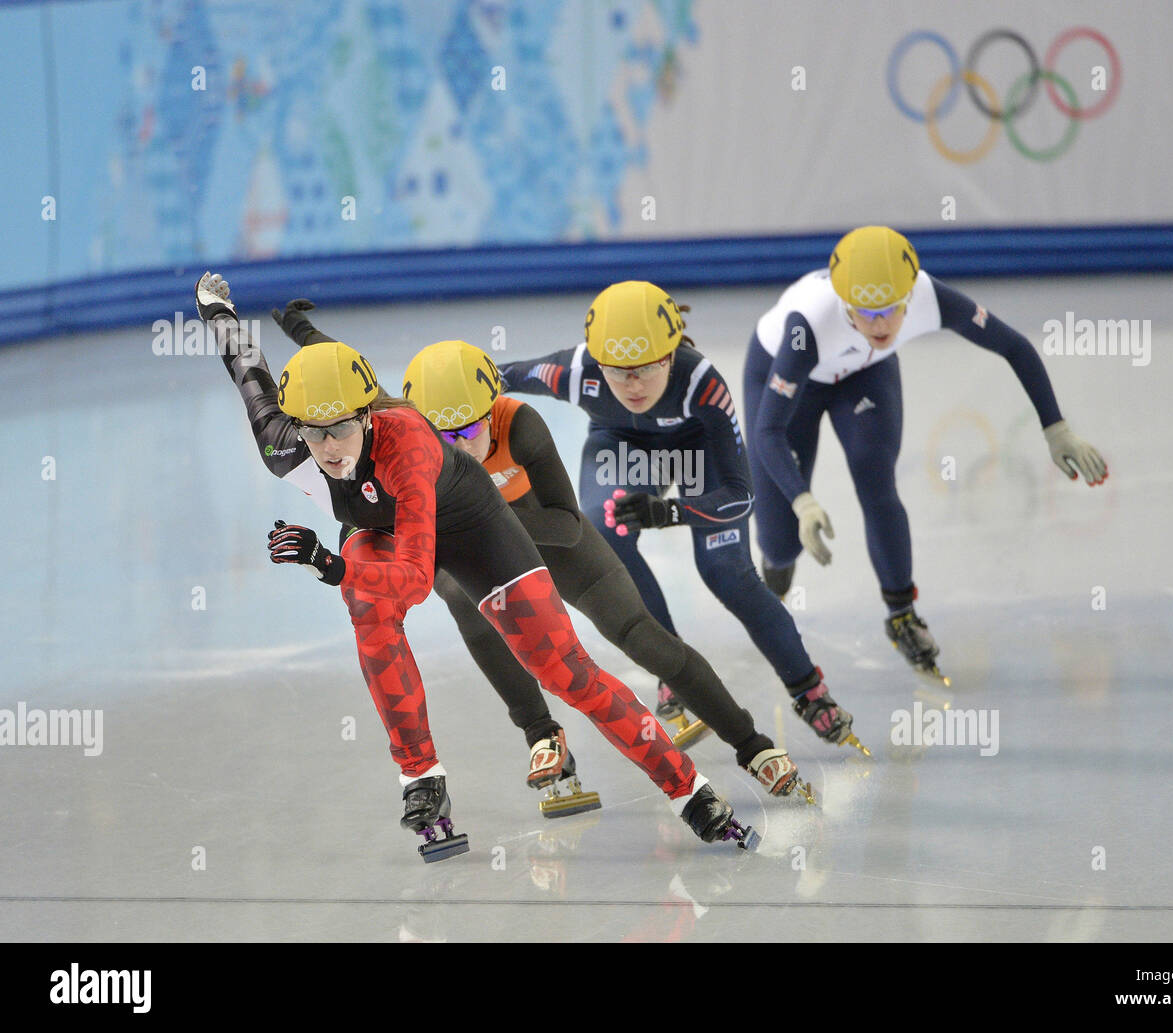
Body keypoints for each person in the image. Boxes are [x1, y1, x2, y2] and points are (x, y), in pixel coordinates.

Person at [194, 272, 758, 856]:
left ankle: (688, 788)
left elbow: (414, 582)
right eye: (313, 432)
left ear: (366, 416)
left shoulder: (406, 445)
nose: (328, 448)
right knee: (366, 607)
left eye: (339, 428)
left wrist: (329, 564)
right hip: (381, 529)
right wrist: (218, 313)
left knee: (566, 671)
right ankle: (421, 779)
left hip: (471, 525)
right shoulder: (282, 445)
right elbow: (248, 373)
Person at [496, 281, 870, 758]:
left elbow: (739, 496)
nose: (633, 384)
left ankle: (809, 689)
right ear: (597, 361)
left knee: (727, 574)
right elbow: (491, 377)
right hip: (621, 447)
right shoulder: (575, 370)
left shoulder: (703, 384)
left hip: (698, 450)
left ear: (672, 355)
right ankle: (670, 663)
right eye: (618, 371)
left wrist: (671, 511)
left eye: (647, 368)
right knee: (604, 530)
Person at [744, 225, 1109, 681]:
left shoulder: (926, 295)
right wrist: (803, 500)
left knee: (876, 480)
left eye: (891, 311)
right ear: (843, 304)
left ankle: (902, 616)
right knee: (779, 539)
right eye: (866, 313)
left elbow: (1013, 346)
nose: (880, 325)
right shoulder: (806, 327)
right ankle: (775, 579)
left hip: (863, 374)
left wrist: (1056, 428)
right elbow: (768, 431)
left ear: (908, 297)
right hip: (786, 378)